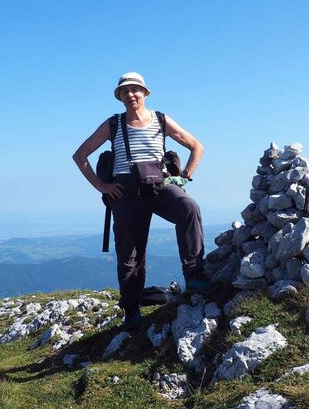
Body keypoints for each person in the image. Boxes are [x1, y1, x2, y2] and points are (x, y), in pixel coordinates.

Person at [72, 72, 212, 330]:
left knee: (189, 208)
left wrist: (184, 177)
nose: (130, 95)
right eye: (125, 91)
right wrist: (102, 186)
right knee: (129, 254)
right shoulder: (113, 124)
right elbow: (79, 155)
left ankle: (193, 275)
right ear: (120, 97)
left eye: (135, 90)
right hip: (124, 191)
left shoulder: (160, 120)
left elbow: (196, 146)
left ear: (145, 93)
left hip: (160, 183)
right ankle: (132, 309)